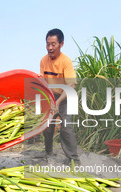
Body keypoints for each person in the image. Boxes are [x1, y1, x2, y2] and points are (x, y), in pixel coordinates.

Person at [40, 28, 80, 165]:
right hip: (51, 96)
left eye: (53, 44)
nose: (49, 48)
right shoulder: (43, 61)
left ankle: (73, 159)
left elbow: (71, 86)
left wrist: (58, 102)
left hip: (65, 98)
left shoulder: (66, 62)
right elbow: (44, 83)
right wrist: (49, 101)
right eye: (47, 44)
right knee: (47, 127)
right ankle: (48, 152)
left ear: (61, 44)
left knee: (66, 127)